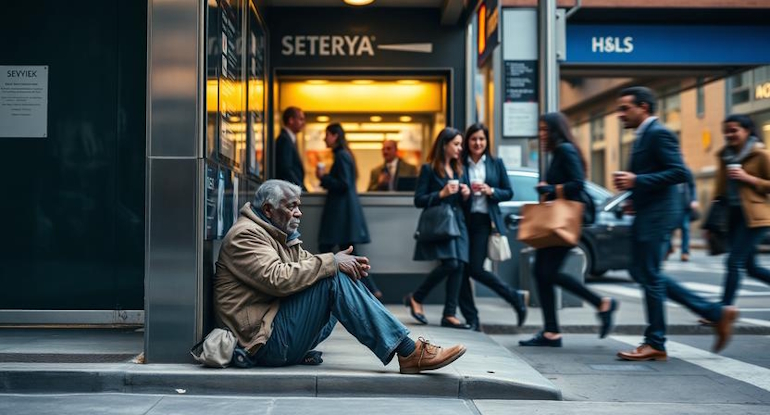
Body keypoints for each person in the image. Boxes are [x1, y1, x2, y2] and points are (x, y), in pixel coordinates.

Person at [214, 179, 467, 373]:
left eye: (299, 206)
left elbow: (307, 265)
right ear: (268, 210)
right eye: (291, 207)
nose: (299, 213)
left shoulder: (276, 233)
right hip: (262, 343)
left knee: (337, 273)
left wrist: (342, 264)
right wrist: (333, 262)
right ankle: (409, 352)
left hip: (276, 331)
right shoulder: (246, 235)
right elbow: (277, 278)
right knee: (332, 276)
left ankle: (406, 348)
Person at [613, 86, 738, 361]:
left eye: (625, 108)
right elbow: (656, 175)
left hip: (658, 217)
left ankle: (656, 342)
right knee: (642, 272)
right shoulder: (643, 136)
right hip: (647, 213)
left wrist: (636, 181)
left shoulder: (659, 134)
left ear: (643, 107)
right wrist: (634, 197)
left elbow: (679, 172)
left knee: (649, 275)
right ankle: (714, 312)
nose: (620, 114)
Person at [518, 113, 618, 347]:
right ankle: (552, 331)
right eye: (540, 129)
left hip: (564, 222)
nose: (541, 134)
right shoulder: (559, 152)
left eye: (545, 129)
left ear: (555, 131)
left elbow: (578, 184)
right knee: (542, 272)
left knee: (547, 272)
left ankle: (599, 304)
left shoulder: (565, 150)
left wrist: (551, 189)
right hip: (558, 222)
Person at [455, 123, 527, 331]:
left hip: (484, 222)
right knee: (461, 269)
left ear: (487, 141)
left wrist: (491, 190)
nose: (478, 143)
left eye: (482, 139)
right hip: (463, 221)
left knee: (475, 269)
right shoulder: (460, 163)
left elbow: (508, 192)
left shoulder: (496, 163)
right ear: (467, 142)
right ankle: (472, 318)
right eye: (473, 139)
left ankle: (514, 297)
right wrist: (464, 193)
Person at [404, 127, 472, 329]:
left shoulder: (460, 170)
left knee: (459, 265)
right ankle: (417, 297)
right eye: (456, 144)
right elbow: (419, 200)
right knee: (451, 264)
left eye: (460, 144)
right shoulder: (429, 169)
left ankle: (449, 314)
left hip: (459, 222)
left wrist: (466, 194)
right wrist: (441, 194)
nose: (460, 148)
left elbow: (464, 202)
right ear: (444, 145)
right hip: (442, 224)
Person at [316, 123, 380, 298]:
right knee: (348, 250)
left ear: (335, 135)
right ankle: (371, 290)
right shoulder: (345, 154)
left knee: (328, 247)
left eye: (327, 134)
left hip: (339, 214)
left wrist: (324, 177)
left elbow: (343, 184)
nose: (324, 138)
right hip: (343, 214)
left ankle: (326, 291)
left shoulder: (341, 156)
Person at [713, 114, 770, 307]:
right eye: (726, 131)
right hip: (733, 216)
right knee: (751, 267)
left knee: (733, 262)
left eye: (734, 130)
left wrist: (748, 178)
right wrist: (711, 222)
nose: (729, 135)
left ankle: (723, 310)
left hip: (755, 217)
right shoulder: (725, 155)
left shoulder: (761, 155)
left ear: (747, 131)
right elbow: (720, 188)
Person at [666, 168, 698, 262]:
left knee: (685, 228)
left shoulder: (686, 171)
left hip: (685, 206)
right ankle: (668, 248)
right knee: (668, 229)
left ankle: (685, 252)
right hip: (671, 206)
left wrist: (694, 200)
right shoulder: (668, 170)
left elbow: (692, 186)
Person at [275, 107, 306, 189]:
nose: (303, 123)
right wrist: (301, 188)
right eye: (301, 119)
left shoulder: (290, 139)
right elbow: (286, 170)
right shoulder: (284, 140)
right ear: (291, 120)